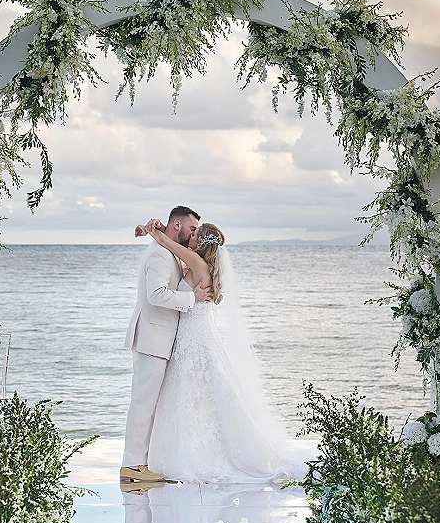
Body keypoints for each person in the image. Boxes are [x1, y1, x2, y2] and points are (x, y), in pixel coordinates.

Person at [135, 218, 312, 483]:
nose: (190, 236)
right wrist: (151, 228)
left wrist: (152, 230)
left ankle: (200, 451)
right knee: (198, 394)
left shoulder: (197, 263)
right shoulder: (197, 263)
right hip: (191, 334)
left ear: (201, 243)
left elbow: (165, 242)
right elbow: (170, 247)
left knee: (195, 391)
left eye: (195, 234)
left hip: (194, 336)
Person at [121, 206, 213, 483]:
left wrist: (151, 228)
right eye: (192, 228)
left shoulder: (168, 248)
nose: (194, 233)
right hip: (152, 338)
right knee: (143, 404)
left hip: (159, 339)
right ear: (177, 226)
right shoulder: (161, 255)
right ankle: (133, 466)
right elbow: (156, 295)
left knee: (149, 404)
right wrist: (191, 300)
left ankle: (141, 462)